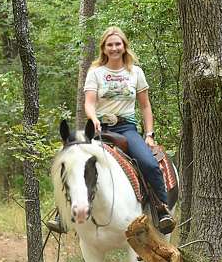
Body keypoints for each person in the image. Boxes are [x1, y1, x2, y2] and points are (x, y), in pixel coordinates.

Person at [47, 26, 175, 235]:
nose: (114, 48)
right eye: (110, 45)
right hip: (100, 129)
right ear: (104, 49)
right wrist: (94, 118)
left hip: (127, 129)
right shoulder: (96, 73)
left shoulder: (136, 72)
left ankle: (161, 209)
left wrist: (149, 134)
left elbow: (145, 106)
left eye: (118, 44)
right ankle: (61, 215)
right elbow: (89, 102)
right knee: (72, 161)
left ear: (124, 46)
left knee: (149, 163)